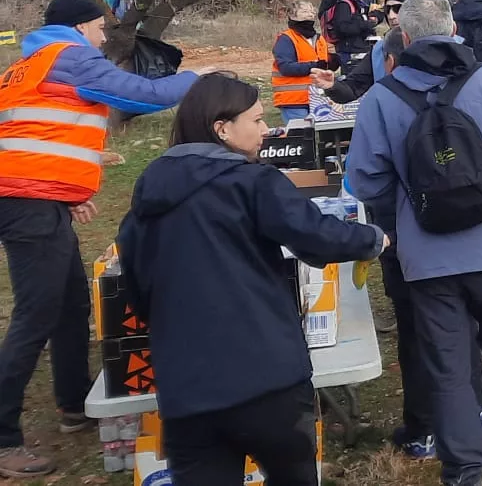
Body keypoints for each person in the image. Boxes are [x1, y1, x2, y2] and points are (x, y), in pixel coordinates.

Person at [115, 75, 386, 485]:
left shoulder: (149, 193)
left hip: (187, 390)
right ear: (221, 129)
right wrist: (373, 239)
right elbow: (315, 236)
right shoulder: (251, 182)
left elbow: (134, 289)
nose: (266, 130)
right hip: (266, 379)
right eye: (257, 121)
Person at [346, 0, 482, 486]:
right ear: (455, 27)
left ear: (406, 38)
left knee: (449, 364)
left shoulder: (381, 98)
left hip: (427, 255)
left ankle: (465, 472)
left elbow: (364, 182)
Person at [0, 0, 206, 478]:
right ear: (79, 27)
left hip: (32, 197)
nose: (102, 38)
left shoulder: (26, 66)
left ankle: (74, 403)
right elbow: (141, 95)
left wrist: (63, 191)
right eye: (98, 28)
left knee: (70, 303)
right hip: (27, 204)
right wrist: (198, 78)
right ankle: (4, 437)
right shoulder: (69, 57)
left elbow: (34, 137)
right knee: (36, 313)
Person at [272, 1, 330, 124]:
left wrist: (333, 62)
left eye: (311, 11)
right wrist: (314, 66)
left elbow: (324, 63)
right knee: (302, 137)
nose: (309, 15)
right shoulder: (286, 39)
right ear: (292, 15)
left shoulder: (319, 39)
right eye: (304, 11)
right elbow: (285, 67)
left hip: (318, 98)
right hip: (293, 100)